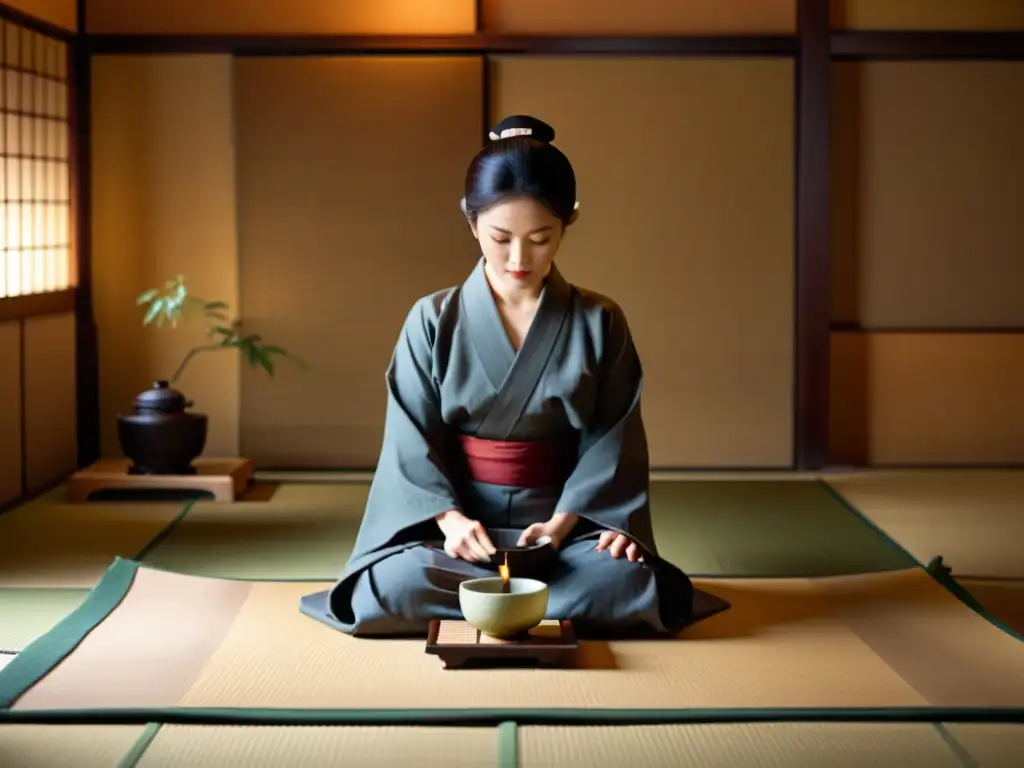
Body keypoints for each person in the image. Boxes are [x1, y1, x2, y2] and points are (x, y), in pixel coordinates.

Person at [300, 115, 724, 638]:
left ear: (570, 221)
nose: (520, 258)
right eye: (501, 237)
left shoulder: (600, 321)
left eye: (541, 238)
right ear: (472, 221)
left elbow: (614, 441)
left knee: (623, 581)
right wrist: (451, 523)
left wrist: (570, 525)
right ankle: (526, 602)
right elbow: (411, 443)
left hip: (561, 537)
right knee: (393, 584)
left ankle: (500, 601)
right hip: (455, 539)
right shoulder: (433, 320)